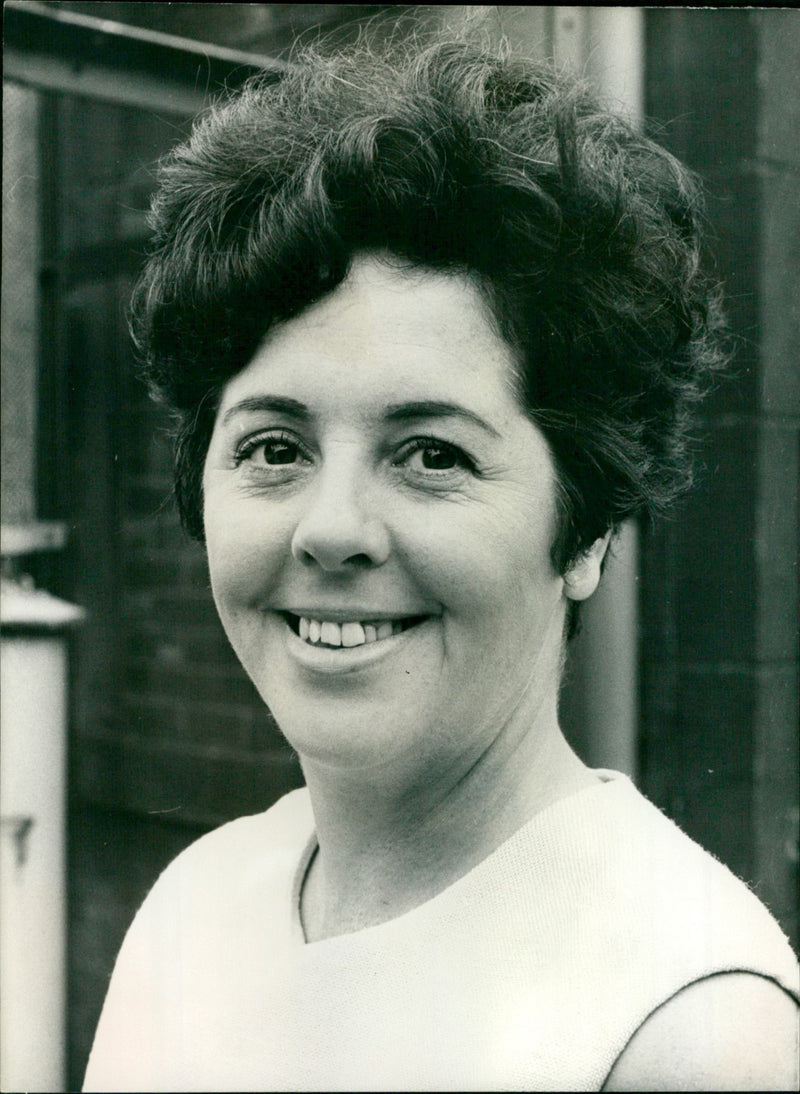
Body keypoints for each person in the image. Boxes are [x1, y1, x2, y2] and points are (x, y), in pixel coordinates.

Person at [83, 37, 799, 1092]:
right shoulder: (194, 903)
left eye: (431, 454)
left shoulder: (685, 1018)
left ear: (588, 526)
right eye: (274, 447)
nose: (330, 530)